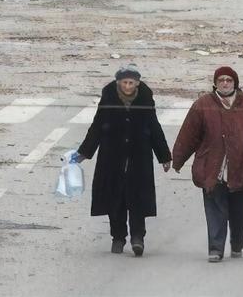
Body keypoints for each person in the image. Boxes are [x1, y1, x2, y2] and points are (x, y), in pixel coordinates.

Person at [170, 66, 243, 263]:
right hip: (212, 170)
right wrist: (178, 159)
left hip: (241, 170)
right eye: (221, 80)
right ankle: (216, 249)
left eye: (229, 80)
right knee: (215, 212)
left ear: (235, 83)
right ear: (215, 83)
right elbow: (188, 135)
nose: (225, 83)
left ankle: (237, 243)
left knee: (238, 213)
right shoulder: (202, 105)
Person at [69, 64, 172, 257]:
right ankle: (118, 237)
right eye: (124, 82)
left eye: (131, 82)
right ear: (118, 83)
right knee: (114, 198)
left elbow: (154, 127)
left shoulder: (144, 99)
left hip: (139, 157)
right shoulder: (108, 98)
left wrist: (164, 156)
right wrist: (84, 153)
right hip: (111, 157)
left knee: (138, 199)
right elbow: (98, 126)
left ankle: (137, 238)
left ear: (137, 83)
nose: (127, 86)